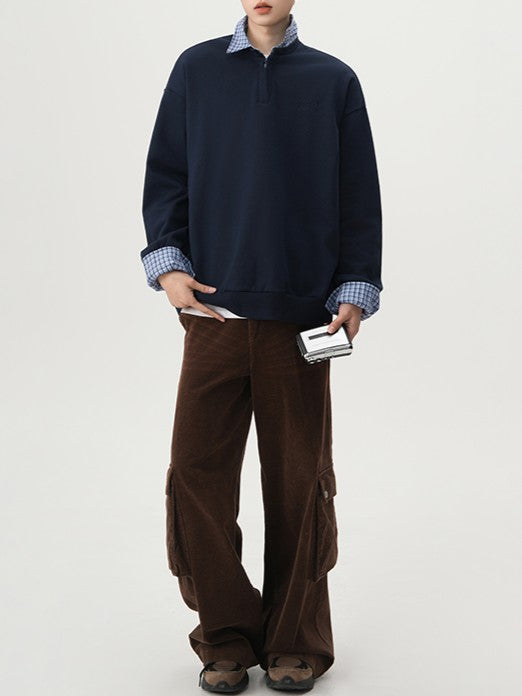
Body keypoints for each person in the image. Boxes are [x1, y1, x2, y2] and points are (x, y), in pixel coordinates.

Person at [140, 1, 383, 692]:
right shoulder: (195, 71)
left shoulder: (333, 80)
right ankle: (225, 634)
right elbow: (167, 175)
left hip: (301, 320)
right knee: (197, 478)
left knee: (299, 483)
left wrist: (355, 286)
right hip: (213, 316)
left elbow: (358, 195)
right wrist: (168, 265)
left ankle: (295, 639)